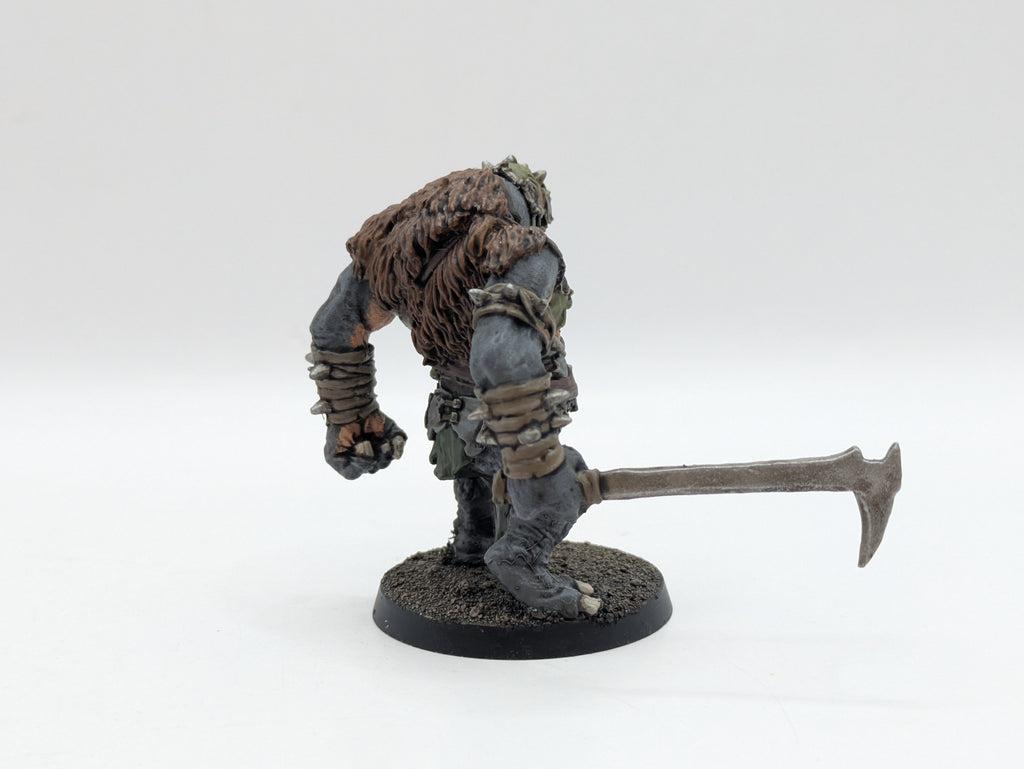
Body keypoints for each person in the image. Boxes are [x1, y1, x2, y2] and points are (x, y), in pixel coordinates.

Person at [309, 157, 599, 618]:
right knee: (562, 484)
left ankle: (473, 546)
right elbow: (499, 356)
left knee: (475, 486)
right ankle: (520, 560)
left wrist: (352, 417)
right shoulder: (523, 253)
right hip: (504, 419)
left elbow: (334, 328)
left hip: (450, 416)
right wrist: (535, 462)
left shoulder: (391, 256)